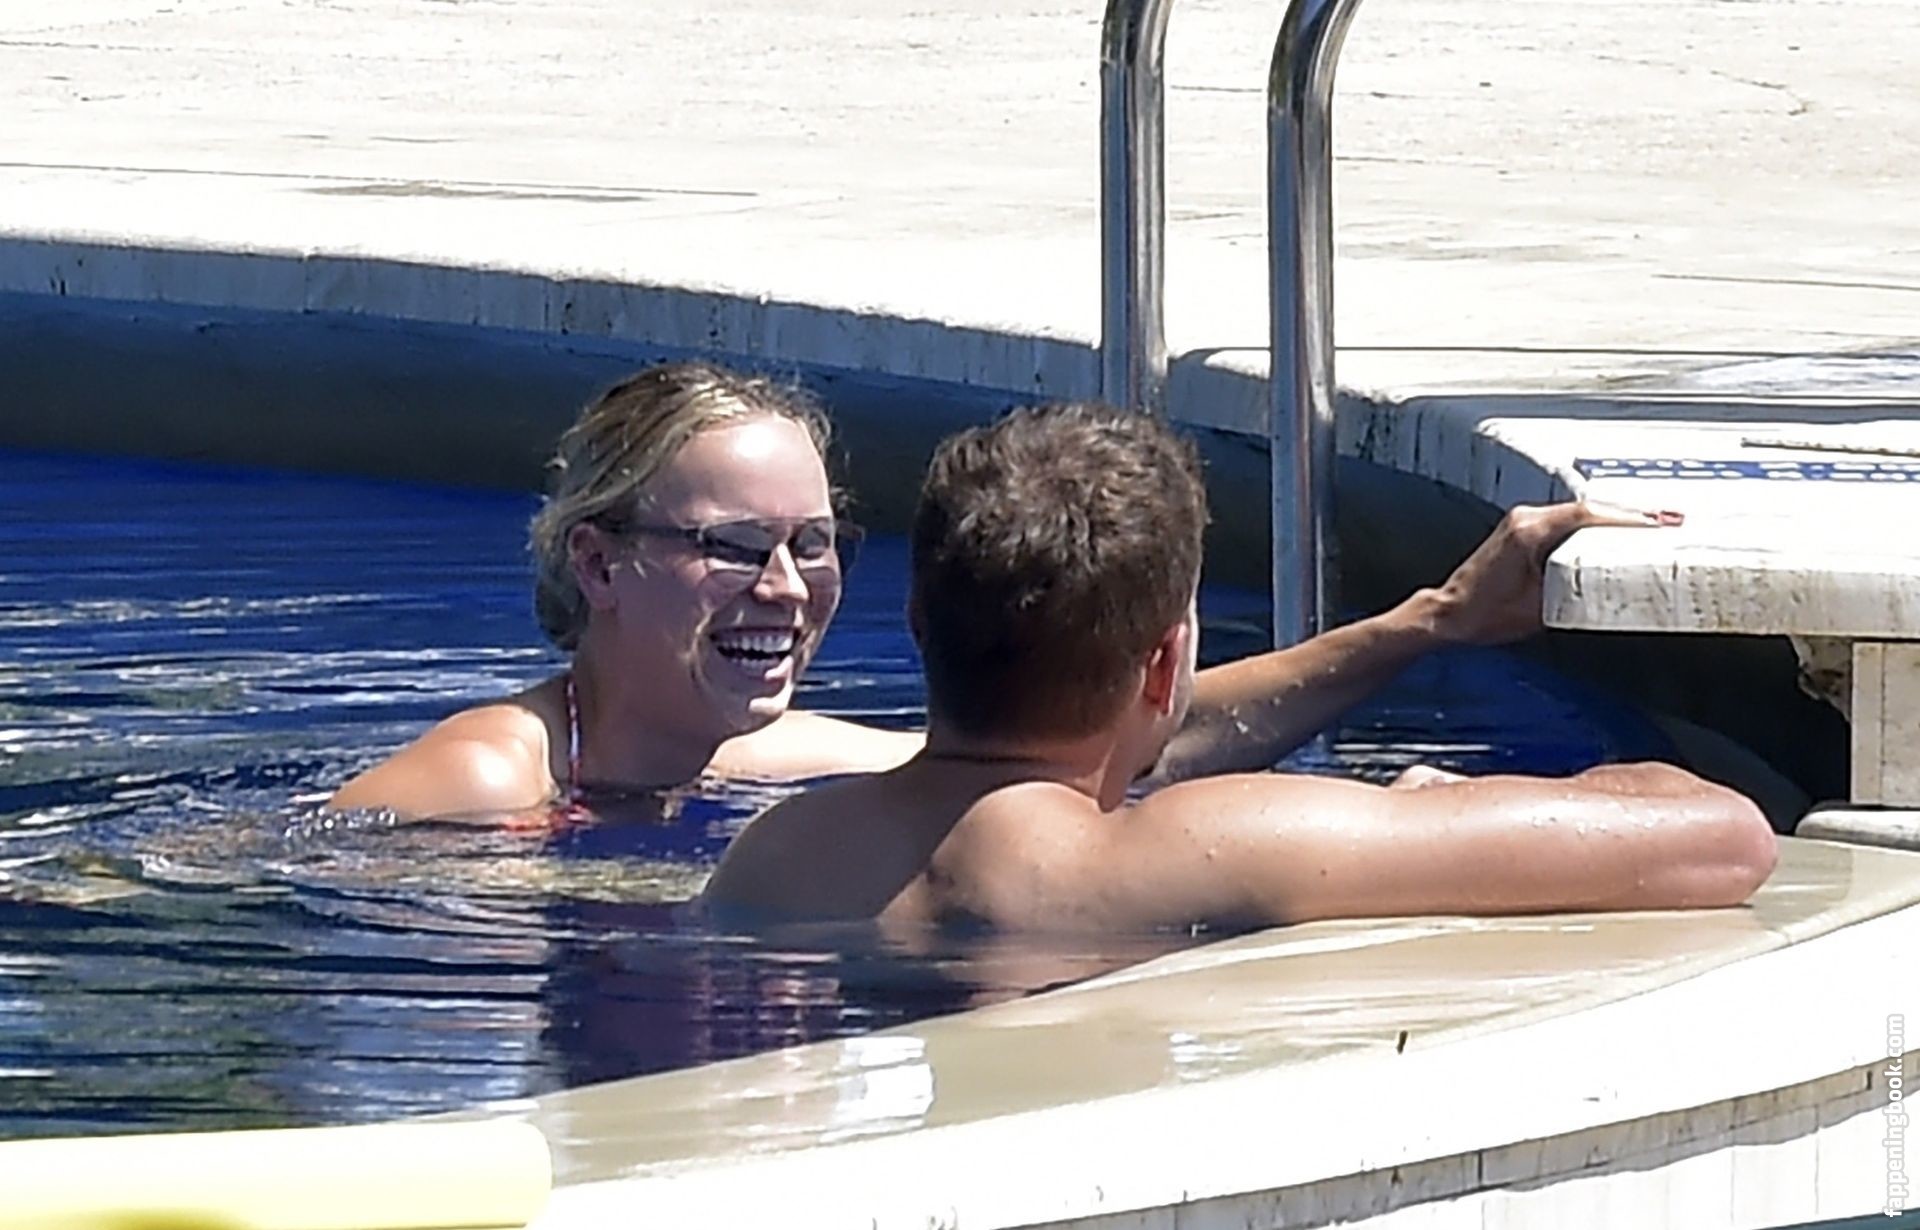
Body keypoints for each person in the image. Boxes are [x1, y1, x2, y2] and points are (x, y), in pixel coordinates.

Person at [698, 403, 1777, 930]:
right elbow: (1727, 839)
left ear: (917, 620)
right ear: (1168, 660)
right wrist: (1444, 808)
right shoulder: (1201, 848)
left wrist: (1432, 622)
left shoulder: (781, 856)